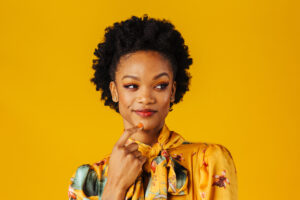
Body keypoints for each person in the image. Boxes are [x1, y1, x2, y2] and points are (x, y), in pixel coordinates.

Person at [68, 14, 238, 200]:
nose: (146, 98)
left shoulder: (207, 161)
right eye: (132, 86)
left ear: (172, 91)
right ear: (114, 91)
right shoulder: (87, 180)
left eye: (160, 85)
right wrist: (115, 186)